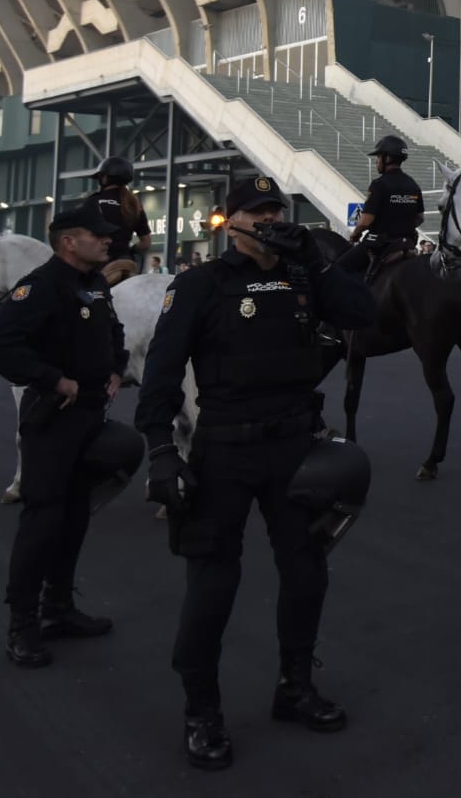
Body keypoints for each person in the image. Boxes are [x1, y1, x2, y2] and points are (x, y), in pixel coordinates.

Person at [137, 174, 375, 770]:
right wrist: (160, 449)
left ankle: (294, 687)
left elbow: (362, 311)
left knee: (306, 572)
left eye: (276, 211)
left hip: (294, 446)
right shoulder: (201, 283)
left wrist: (315, 263)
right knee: (213, 584)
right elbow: (162, 373)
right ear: (232, 221)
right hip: (225, 450)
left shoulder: (302, 275)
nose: (268, 220)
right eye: (256, 212)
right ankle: (201, 710)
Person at [0, 203, 128, 668]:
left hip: (89, 417)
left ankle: (59, 608)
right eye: (97, 235)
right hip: (53, 421)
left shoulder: (96, 284)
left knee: (76, 516)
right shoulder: (40, 287)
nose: (107, 241)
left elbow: (115, 333)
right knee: (43, 520)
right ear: (68, 241)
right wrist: (50, 378)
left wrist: (116, 371)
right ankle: (22, 624)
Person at [338, 136, 423, 279]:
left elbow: (366, 221)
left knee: (338, 270)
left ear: (387, 158)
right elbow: (420, 218)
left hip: (380, 246)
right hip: (406, 245)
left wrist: (355, 234)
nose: (376, 161)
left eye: (378, 156)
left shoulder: (379, 184)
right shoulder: (413, 184)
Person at [90, 156, 152, 286]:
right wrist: (131, 250)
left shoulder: (94, 201)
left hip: (99, 263)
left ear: (105, 178)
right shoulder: (134, 205)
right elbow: (146, 243)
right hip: (125, 260)